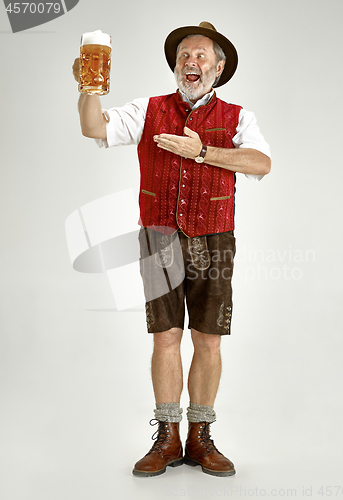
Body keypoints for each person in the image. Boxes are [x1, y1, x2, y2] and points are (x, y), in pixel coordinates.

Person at [72, 21, 271, 477]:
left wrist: (202, 152)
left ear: (219, 68)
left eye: (201, 56)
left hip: (215, 238)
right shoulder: (148, 108)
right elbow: (91, 127)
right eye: (184, 55)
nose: (191, 62)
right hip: (159, 237)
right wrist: (88, 88)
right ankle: (168, 435)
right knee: (166, 336)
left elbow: (261, 162)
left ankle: (201, 437)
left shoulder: (238, 117)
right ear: (176, 65)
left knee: (207, 338)